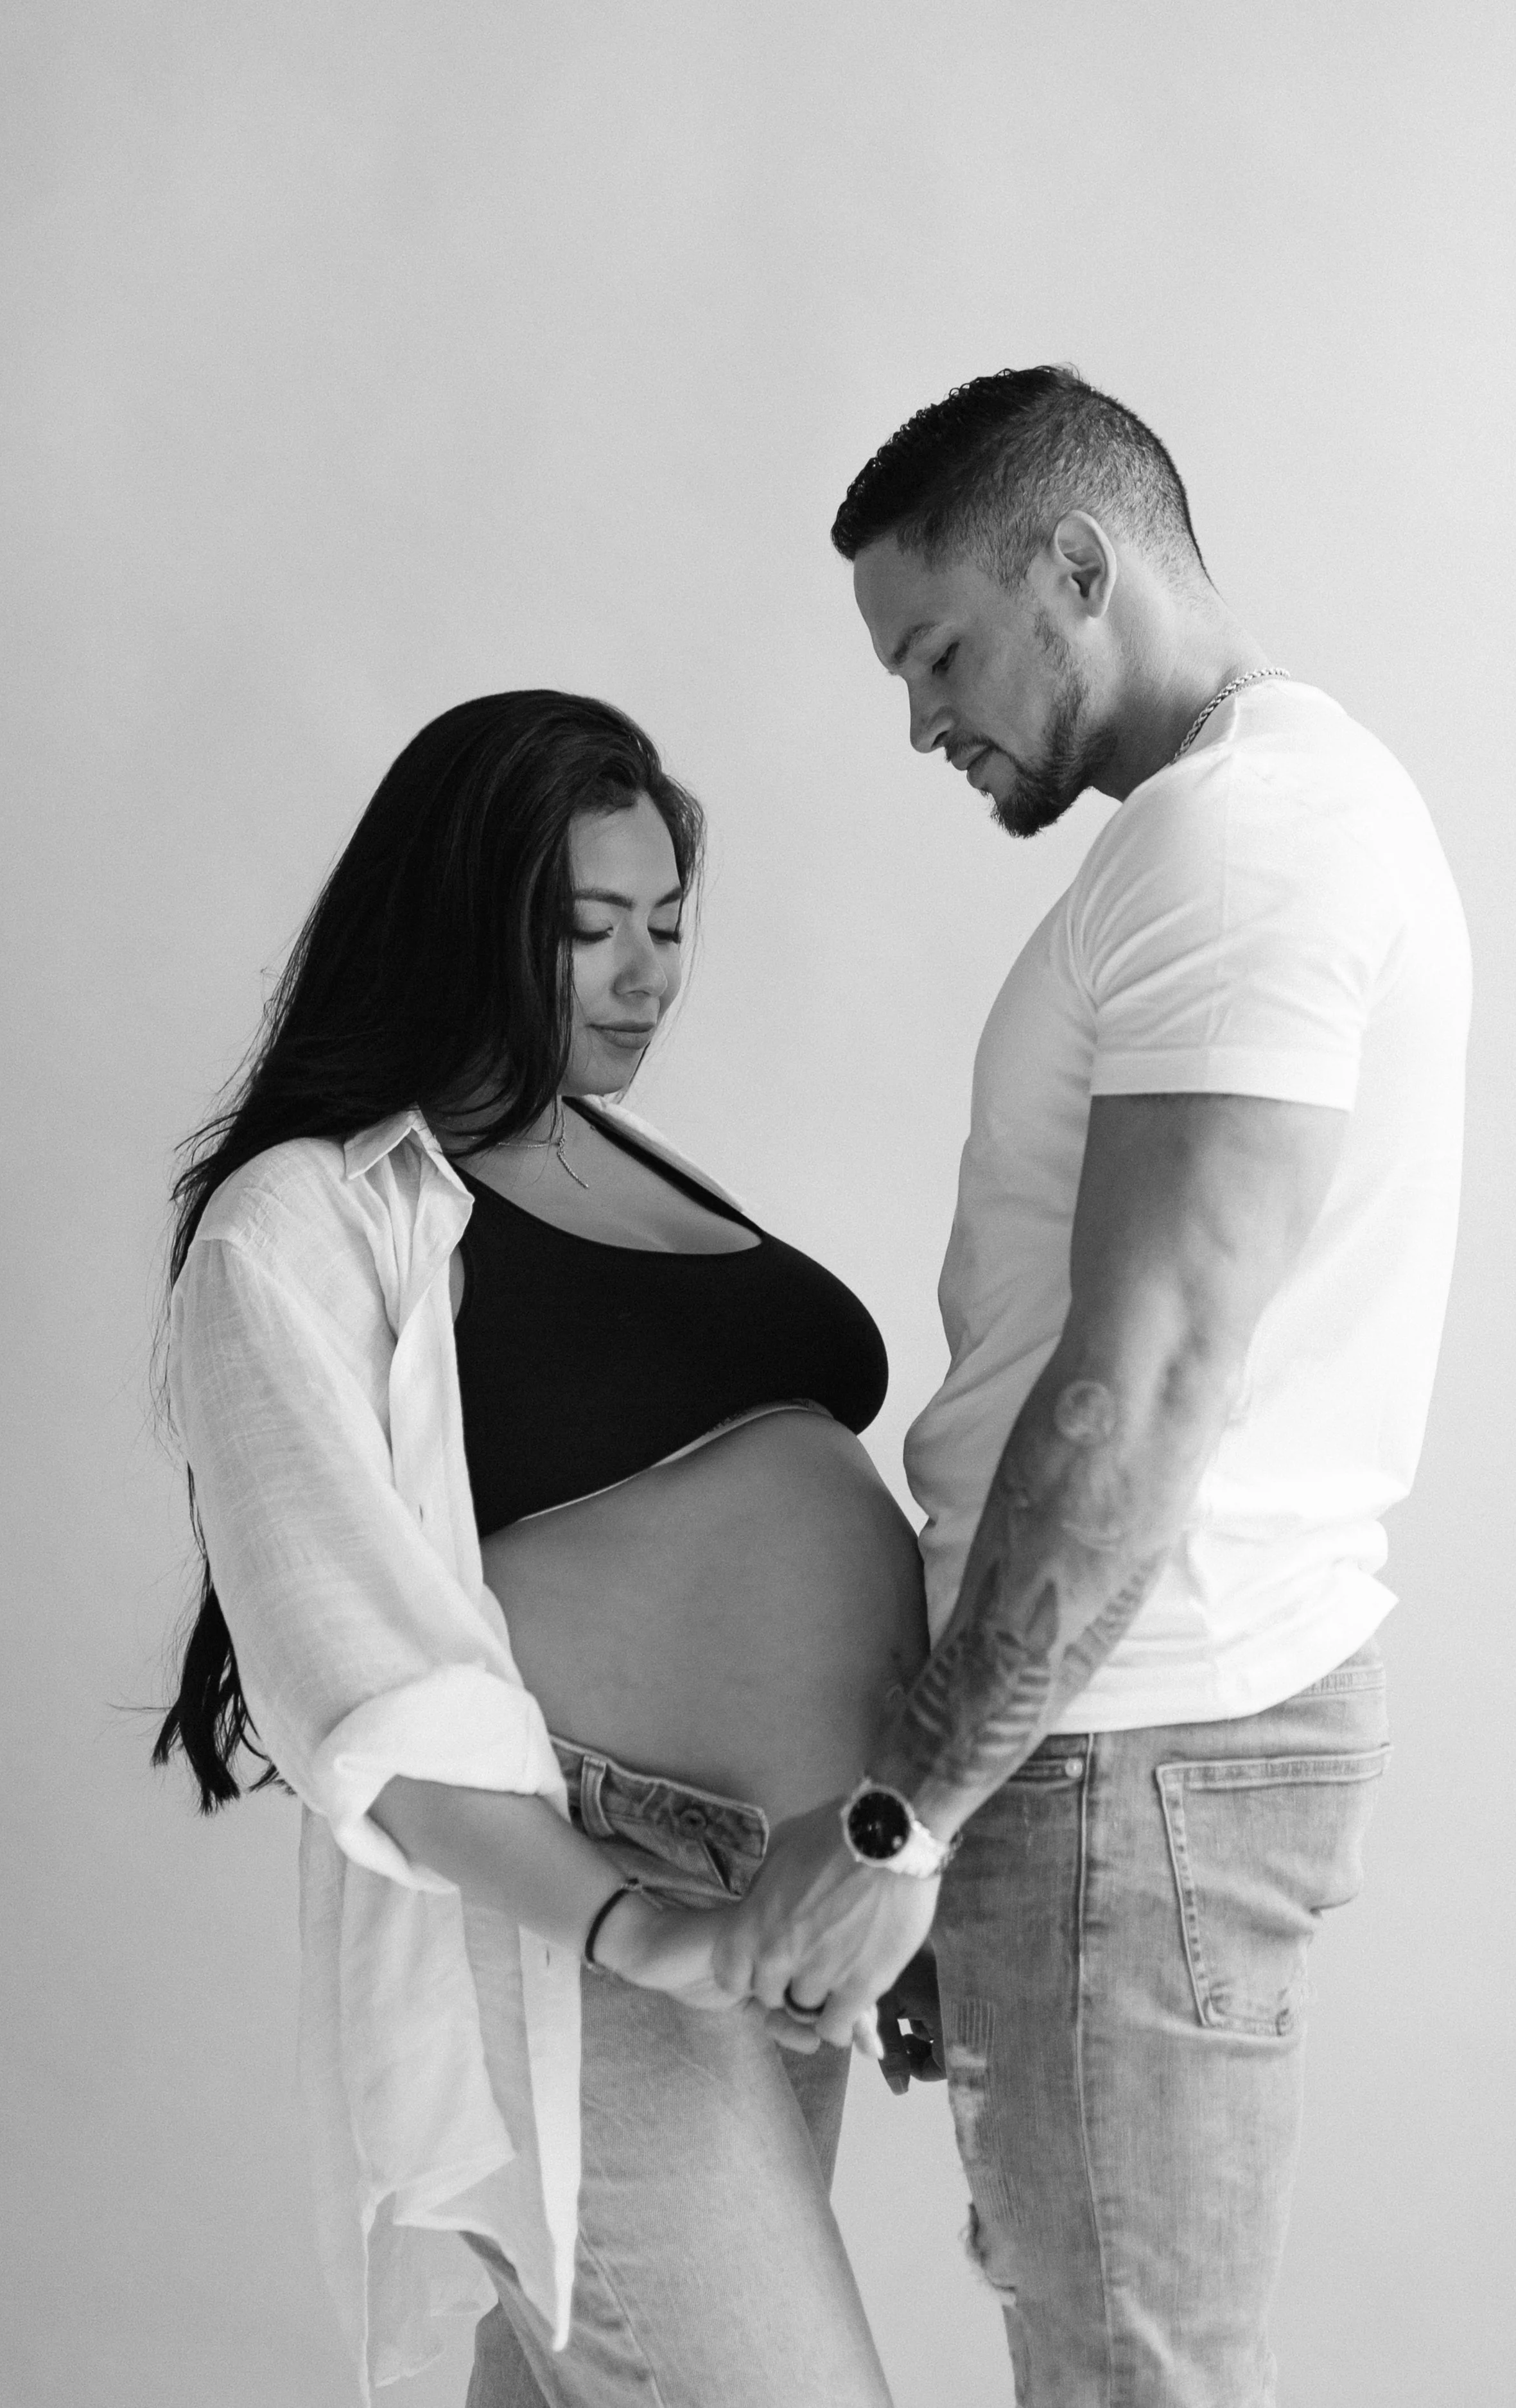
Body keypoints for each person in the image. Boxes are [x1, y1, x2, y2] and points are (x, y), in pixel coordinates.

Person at [721, 367, 1472, 2405]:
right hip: (1115, 1745)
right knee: (1110, 2349)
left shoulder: (1245, 848)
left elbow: (1135, 1397)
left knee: (1131, 2372)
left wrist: (902, 1818)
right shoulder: (1239, 828)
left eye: (940, 649)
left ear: (1080, 564)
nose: (918, 719)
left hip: (1131, 1746)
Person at [152, 690, 930, 2408]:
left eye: (666, 925)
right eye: (589, 931)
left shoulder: (611, 1150)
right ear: (460, 917)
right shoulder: (304, 1220)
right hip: (599, 1899)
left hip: (787, 1887)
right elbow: (357, 1672)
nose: (645, 977)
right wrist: (632, 1930)